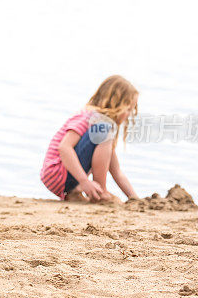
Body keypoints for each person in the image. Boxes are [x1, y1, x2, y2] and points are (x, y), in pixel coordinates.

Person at [41, 75, 139, 203]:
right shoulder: (90, 118)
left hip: (64, 178)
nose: (128, 115)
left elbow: (116, 172)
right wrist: (84, 181)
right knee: (103, 128)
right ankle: (100, 193)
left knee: (104, 130)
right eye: (128, 109)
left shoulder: (102, 138)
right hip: (57, 173)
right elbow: (64, 147)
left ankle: (75, 192)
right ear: (116, 104)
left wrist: (135, 199)